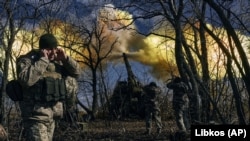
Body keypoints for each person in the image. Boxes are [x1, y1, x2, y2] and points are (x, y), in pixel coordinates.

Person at [16, 33, 80, 141]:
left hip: (52, 117)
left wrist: (66, 59)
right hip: (36, 116)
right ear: (42, 49)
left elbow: (77, 73)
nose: (53, 52)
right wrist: (43, 61)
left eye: (55, 48)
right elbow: (26, 80)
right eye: (49, 49)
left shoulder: (57, 62)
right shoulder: (28, 60)